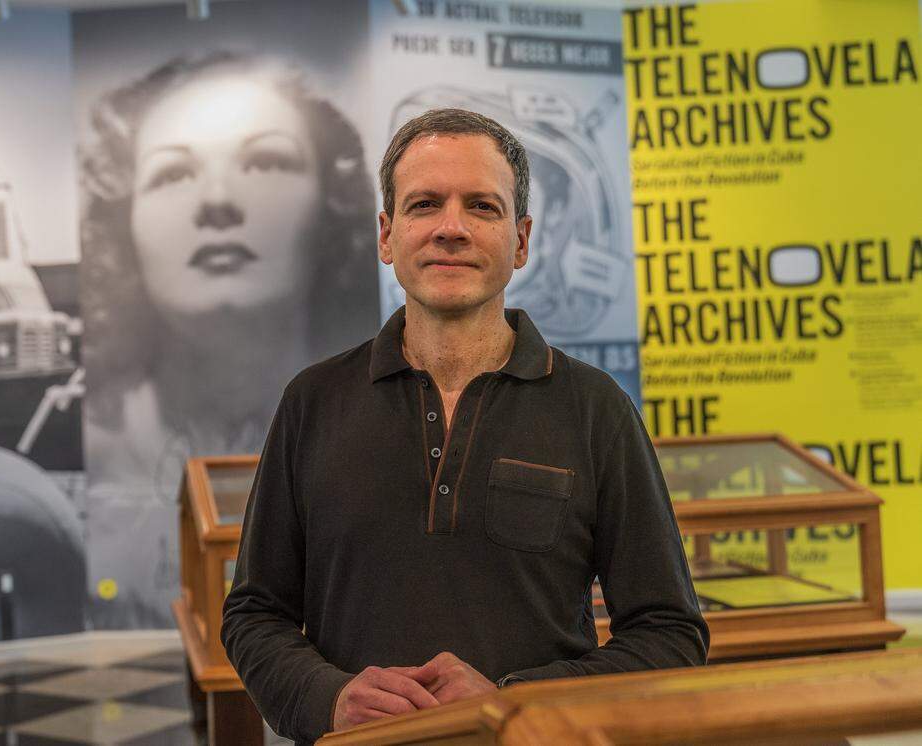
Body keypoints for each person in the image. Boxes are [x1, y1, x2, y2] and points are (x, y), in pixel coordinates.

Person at [222, 108, 708, 744]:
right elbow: (254, 613)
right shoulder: (311, 402)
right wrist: (329, 699)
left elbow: (669, 633)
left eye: (481, 206)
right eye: (425, 204)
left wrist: (513, 702)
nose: (451, 228)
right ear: (387, 235)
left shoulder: (597, 410)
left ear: (521, 240)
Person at [79, 51, 379, 627]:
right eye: (172, 174)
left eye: (265, 163)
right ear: (125, 222)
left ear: (330, 204)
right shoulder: (93, 453)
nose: (217, 201)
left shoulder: (391, 432)